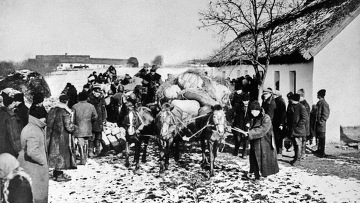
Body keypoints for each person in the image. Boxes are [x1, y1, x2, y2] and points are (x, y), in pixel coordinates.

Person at [17, 105, 49, 203]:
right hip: (34, 168)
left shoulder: (31, 127)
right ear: (40, 117)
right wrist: (43, 160)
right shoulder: (33, 130)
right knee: (37, 195)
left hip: (28, 166)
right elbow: (32, 152)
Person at [244, 101, 279, 182]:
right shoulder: (252, 117)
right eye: (251, 110)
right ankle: (256, 176)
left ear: (259, 110)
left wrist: (250, 133)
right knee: (254, 159)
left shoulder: (266, 118)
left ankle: (264, 173)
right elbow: (249, 126)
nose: (253, 112)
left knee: (263, 160)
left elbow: (263, 129)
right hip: (254, 141)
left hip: (265, 142)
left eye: (255, 110)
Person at [46, 94, 76, 181]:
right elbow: (69, 127)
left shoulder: (52, 110)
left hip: (52, 136)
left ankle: (56, 173)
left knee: (54, 153)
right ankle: (59, 175)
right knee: (61, 154)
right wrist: (75, 127)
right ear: (66, 101)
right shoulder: (65, 112)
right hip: (62, 137)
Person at [72, 92, 98, 164]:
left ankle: (82, 158)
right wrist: (90, 120)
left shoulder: (74, 106)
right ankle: (85, 158)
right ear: (87, 98)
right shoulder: (91, 106)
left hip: (78, 127)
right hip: (88, 127)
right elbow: (95, 116)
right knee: (86, 142)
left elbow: (72, 118)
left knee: (80, 143)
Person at [0, 91, 23, 158]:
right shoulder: (10, 117)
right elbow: (15, 136)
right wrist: (19, 151)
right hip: (8, 152)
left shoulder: (2, 114)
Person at [288, 94, 307, 166]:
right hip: (293, 129)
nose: (290, 100)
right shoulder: (291, 106)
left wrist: (298, 125)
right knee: (295, 144)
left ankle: (298, 160)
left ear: (294, 99)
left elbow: (304, 118)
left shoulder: (301, 107)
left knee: (298, 144)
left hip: (298, 129)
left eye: (291, 99)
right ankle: (296, 158)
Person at [87, 85, 107, 157]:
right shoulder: (89, 99)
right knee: (91, 137)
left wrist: (104, 119)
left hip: (99, 120)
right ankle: (90, 151)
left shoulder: (102, 98)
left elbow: (104, 109)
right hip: (91, 120)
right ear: (93, 91)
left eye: (99, 92)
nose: (97, 94)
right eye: (96, 92)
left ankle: (98, 151)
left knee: (98, 136)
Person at [232, 92, 251, 158]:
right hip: (238, 124)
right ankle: (236, 150)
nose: (245, 102)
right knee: (238, 138)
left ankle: (244, 152)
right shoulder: (238, 105)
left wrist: (249, 122)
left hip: (246, 125)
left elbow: (252, 116)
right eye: (244, 101)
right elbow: (233, 112)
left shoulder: (251, 106)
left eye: (246, 101)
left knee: (246, 139)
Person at [315, 89, 330, 157]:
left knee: (322, 137)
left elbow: (326, 114)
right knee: (318, 137)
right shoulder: (319, 103)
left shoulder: (324, 103)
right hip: (318, 123)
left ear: (320, 95)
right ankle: (319, 150)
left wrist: (321, 121)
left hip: (321, 124)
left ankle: (322, 152)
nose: (317, 95)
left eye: (318, 94)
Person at [272, 90, 287, 157]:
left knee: (279, 137)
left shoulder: (280, 101)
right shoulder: (278, 100)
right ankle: (278, 151)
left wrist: (281, 123)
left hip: (278, 122)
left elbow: (283, 113)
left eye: (274, 94)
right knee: (276, 137)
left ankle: (279, 152)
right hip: (277, 121)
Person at [297, 88, 310, 159]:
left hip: (304, 126)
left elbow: (305, 118)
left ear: (302, 96)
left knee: (303, 140)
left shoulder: (305, 105)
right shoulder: (302, 104)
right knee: (301, 140)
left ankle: (302, 154)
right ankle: (300, 154)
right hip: (302, 126)